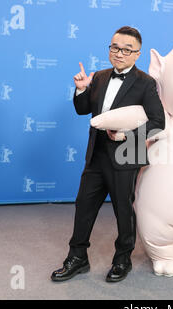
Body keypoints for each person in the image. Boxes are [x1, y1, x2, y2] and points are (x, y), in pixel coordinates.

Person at [51, 26, 165, 283]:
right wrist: (81, 89)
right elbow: (83, 110)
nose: (120, 53)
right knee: (83, 206)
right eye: (115, 47)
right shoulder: (100, 77)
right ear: (109, 49)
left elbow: (159, 123)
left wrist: (127, 135)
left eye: (127, 50)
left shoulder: (146, 83)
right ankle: (77, 257)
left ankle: (122, 260)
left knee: (123, 210)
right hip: (97, 154)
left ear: (137, 54)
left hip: (127, 153)